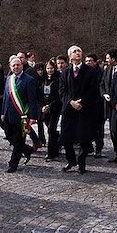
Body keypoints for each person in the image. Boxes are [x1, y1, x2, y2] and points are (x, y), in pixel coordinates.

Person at [59, 45, 98, 174]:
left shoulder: (90, 71)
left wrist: (82, 101)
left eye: (79, 51)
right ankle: (71, 160)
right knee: (66, 137)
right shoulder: (65, 72)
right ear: (70, 56)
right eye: (74, 51)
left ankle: (82, 162)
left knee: (84, 138)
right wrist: (71, 102)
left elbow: (93, 90)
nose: (77, 53)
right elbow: (62, 91)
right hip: (69, 109)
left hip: (84, 108)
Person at [1, 56, 38, 173]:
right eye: (13, 65)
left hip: (22, 116)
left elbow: (32, 100)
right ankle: (27, 150)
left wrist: (33, 116)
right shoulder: (8, 79)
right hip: (8, 115)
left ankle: (13, 164)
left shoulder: (29, 80)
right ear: (10, 67)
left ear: (22, 66)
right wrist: (3, 112)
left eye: (18, 65)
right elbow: (6, 98)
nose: (16, 67)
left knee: (18, 141)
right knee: (9, 136)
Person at [100, 49, 117, 162]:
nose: (106, 60)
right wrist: (104, 94)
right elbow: (102, 84)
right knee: (113, 131)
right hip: (108, 104)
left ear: (113, 59)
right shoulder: (107, 69)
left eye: (108, 58)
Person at [39, 59, 61, 161]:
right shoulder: (43, 79)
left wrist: (50, 105)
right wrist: (43, 105)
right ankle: (57, 145)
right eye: (48, 68)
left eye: (51, 68)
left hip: (55, 107)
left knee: (51, 129)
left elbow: (59, 95)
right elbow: (39, 93)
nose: (49, 70)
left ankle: (50, 152)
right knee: (51, 130)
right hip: (44, 107)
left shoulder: (58, 78)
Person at [85, 53, 105, 158]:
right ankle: (89, 147)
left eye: (90, 61)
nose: (88, 63)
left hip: (97, 104)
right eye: (87, 61)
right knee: (86, 127)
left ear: (95, 62)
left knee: (98, 129)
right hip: (86, 104)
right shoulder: (83, 71)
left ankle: (99, 149)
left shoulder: (100, 72)